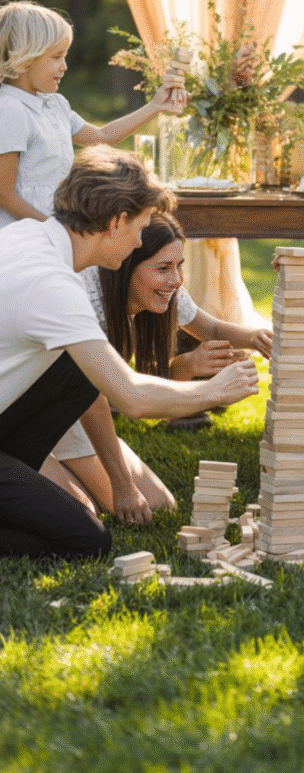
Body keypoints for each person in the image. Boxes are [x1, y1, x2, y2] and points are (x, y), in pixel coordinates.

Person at [0, 144, 259, 560]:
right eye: (140, 227)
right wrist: (213, 391)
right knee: (88, 541)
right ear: (116, 221)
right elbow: (131, 397)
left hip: (10, 423)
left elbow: (96, 384)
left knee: (79, 372)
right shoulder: (52, 284)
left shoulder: (29, 236)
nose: (140, 239)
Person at [41, 213, 272, 516]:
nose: (175, 280)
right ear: (125, 267)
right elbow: (94, 402)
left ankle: (65, 479)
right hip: (38, 414)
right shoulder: (87, 300)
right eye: (163, 268)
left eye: (179, 266)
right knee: (84, 512)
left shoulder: (165, 287)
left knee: (160, 505)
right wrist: (122, 485)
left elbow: (211, 330)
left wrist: (257, 338)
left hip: (70, 411)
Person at [0, 0, 187, 229]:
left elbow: (102, 137)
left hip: (57, 227)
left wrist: (155, 106)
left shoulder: (55, 104)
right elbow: (5, 195)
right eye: (56, 57)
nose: (65, 66)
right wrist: (55, 230)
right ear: (26, 56)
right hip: (24, 235)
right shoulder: (10, 109)